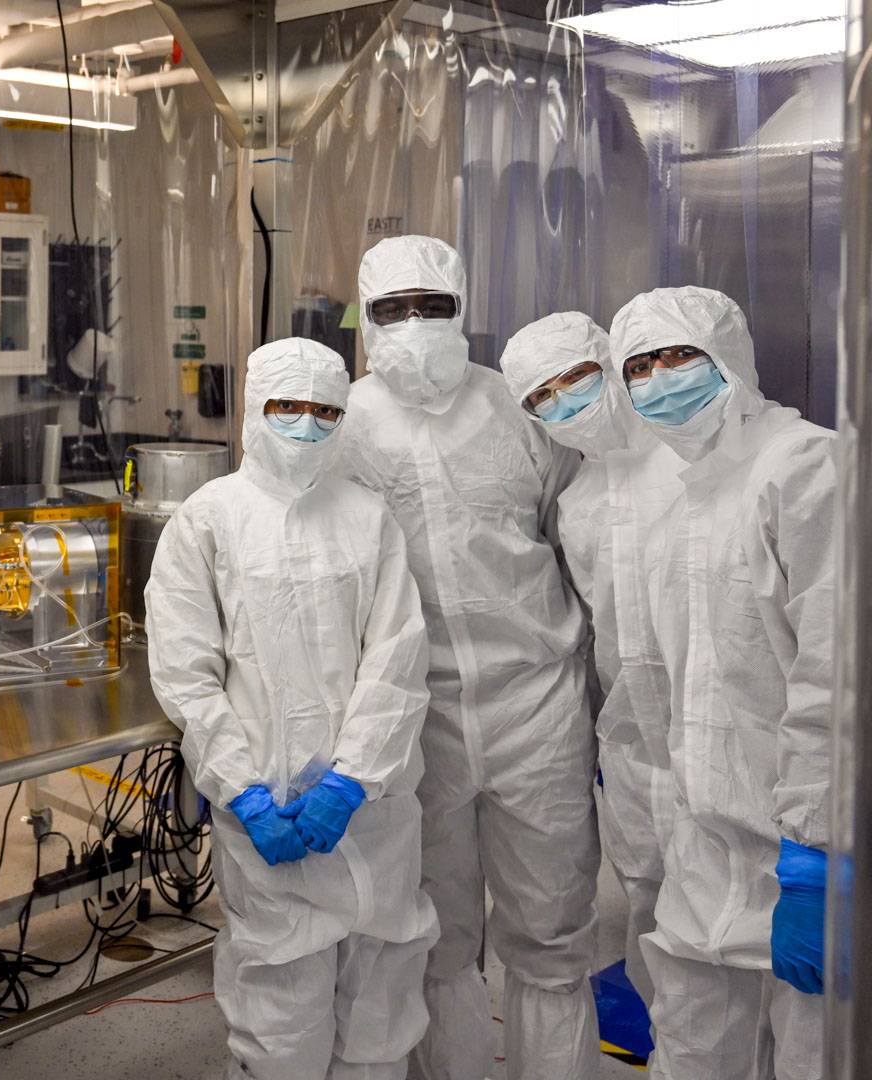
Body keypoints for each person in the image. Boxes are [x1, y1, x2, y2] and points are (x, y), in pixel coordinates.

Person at [335, 236, 601, 1080]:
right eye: (393, 310)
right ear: (366, 318)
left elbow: (587, 535)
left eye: (431, 307)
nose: (413, 327)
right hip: (418, 717)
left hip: (538, 705)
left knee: (551, 931)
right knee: (438, 932)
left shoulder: (516, 409)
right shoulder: (338, 426)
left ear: (462, 307)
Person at [147, 337, 439, 1078]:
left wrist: (352, 780)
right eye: (287, 408)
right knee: (280, 1022)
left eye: (324, 412)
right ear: (255, 410)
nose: (306, 427)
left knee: (380, 1010)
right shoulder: (208, 519)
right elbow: (187, 672)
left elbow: (396, 660)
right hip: (263, 808)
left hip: (371, 813)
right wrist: (240, 788)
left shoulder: (369, 518)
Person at [608, 287, 836, 1080]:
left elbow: (835, 673)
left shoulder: (806, 465)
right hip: (704, 846)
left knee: (815, 1055)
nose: (660, 379)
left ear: (729, 357)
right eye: (639, 366)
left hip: (807, 850)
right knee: (692, 1051)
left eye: (679, 356)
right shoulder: (676, 498)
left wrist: (816, 853)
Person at [498, 312, 686, 1003]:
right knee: (657, 928)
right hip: (637, 754)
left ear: (611, 365)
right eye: (540, 398)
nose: (562, 403)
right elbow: (600, 631)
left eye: (575, 378)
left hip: (733, 746)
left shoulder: (696, 463)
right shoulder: (578, 501)